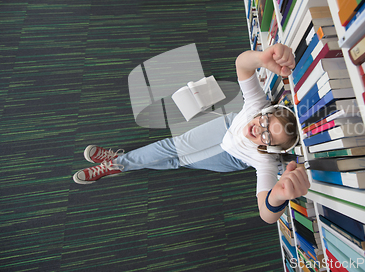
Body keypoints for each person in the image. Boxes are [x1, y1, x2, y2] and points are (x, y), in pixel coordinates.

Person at [72, 44, 310, 224]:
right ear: (267, 111)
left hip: (231, 158)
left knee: (178, 160)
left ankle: (121, 162)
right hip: (225, 127)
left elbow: (266, 214)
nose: (260, 128)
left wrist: (277, 197)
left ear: (271, 149)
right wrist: (262, 57)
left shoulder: (264, 161)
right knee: (172, 147)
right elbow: (242, 64)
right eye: (266, 120)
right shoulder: (257, 105)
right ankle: (117, 164)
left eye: (268, 137)